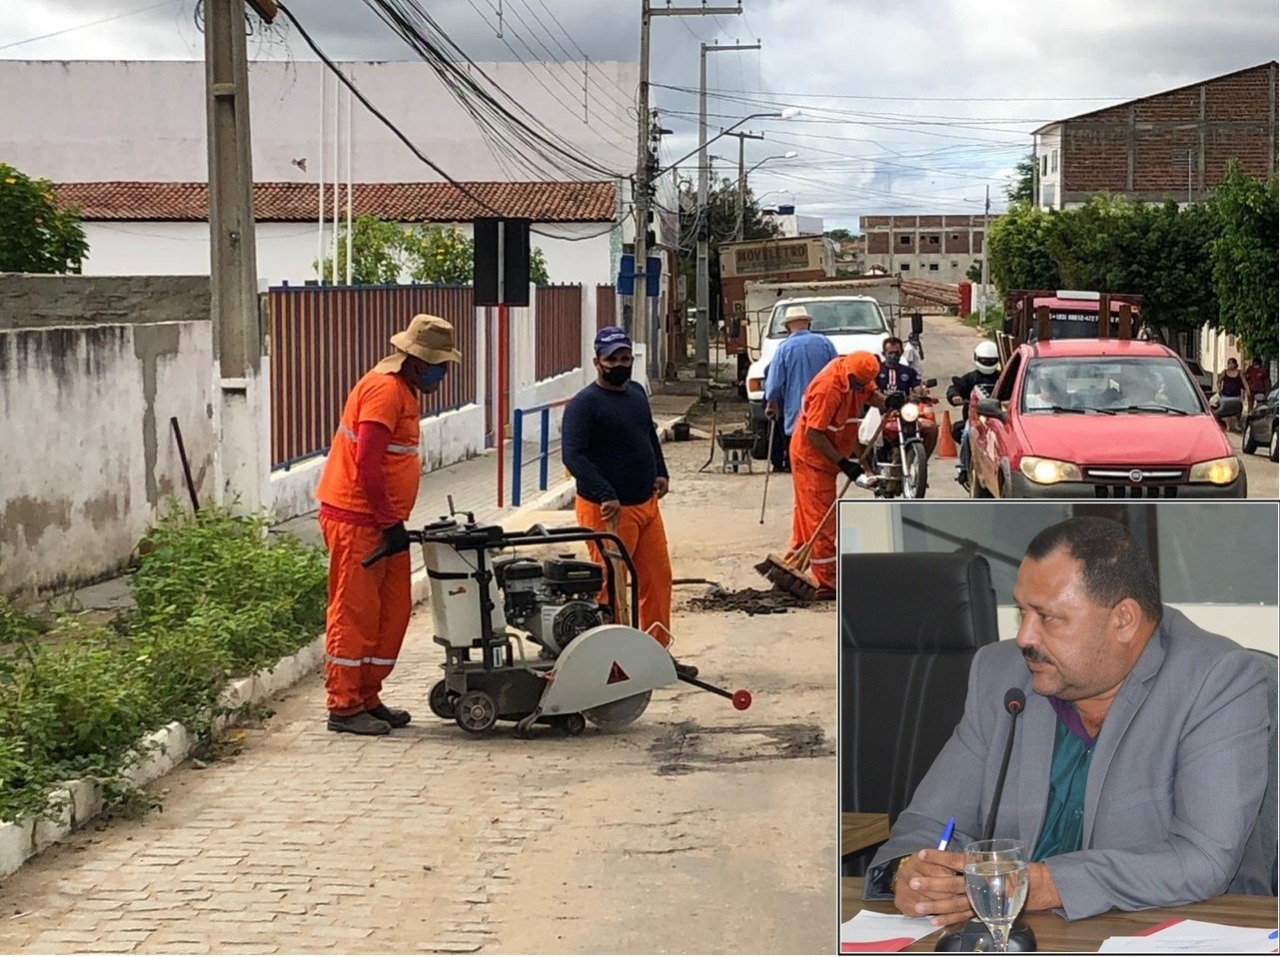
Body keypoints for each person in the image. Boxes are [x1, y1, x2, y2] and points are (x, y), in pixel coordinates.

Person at [864, 516, 1270, 923]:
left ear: (1123, 620)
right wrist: (913, 872)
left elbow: (1202, 860)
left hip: (1179, 930)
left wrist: (1043, 884)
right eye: (1021, 611)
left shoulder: (1215, 680)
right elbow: (929, 823)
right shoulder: (1001, 676)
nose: (1024, 637)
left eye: (1047, 617)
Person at [314, 313, 462, 735]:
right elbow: (368, 464)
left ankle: (366, 695)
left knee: (389, 612)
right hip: (359, 520)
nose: (444, 373)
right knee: (354, 612)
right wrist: (386, 520)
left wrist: (392, 521)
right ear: (417, 360)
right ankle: (343, 706)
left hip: (381, 522)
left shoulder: (402, 388)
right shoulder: (384, 391)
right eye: (440, 365)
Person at [562, 327, 694, 676]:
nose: (620, 365)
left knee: (656, 579)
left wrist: (661, 470)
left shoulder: (635, 393)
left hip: (646, 505)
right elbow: (573, 456)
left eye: (625, 358)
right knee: (613, 585)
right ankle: (614, 662)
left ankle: (655, 654)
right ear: (597, 362)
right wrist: (605, 492)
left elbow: (648, 433)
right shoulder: (584, 405)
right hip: (608, 511)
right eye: (612, 359)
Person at [787, 350, 891, 600]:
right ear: (849, 375)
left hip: (830, 455)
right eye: (857, 383)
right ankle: (827, 583)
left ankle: (792, 566)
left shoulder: (861, 375)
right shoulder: (828, 389)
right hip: (811, 459)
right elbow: (814, 434)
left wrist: (888, 402)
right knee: (822, 519)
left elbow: (870, 396)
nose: (861, 387)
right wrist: (845, 464)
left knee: (807, 517)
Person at [763, 306, 838, 473]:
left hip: (797, 412)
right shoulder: (825, 343)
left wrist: (771, 403)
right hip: (825, 409)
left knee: (800, 462)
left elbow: (774, 383)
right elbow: (837, 373)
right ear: (808, 324)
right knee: (823, 460)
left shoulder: (784, 348)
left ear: (787, 327)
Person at [947, 340, 1001, 488]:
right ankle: (963, 468)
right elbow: (955, 388)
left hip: (998, 418)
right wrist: (954, 396)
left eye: (991, 361)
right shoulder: (970, 378)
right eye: (984, 360)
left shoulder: (1002, 377)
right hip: (974, 419)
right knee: (966, 434)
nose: (987, 363)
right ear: (977, 358)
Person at [877, 336, 937, 458]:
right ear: (884, 353)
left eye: (897, 353)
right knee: (861, 432)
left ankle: (920, 461)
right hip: (881, 415)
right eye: (890, 353)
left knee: (931, 428)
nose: (894, 356)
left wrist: (926, 395)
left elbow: (917, 389)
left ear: (902, 353)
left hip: (905, 414)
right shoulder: (876, 371)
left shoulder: (909, 372)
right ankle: (869, 469)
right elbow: (871, 391)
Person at [1216, 357, 1246, 432]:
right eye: (1228, 363)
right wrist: (1219, 388)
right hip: (1226, 395)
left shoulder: (1239, 372)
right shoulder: (1224, 372)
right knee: (1226, 411)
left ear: (1235, 364)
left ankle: (1236, 425)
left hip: (1236, 395)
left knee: (1237, 410)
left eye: (1230, 363)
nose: (1229, 365)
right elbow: (1219, 380)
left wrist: (1247, 390)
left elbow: (1244, 382)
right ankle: (1228, 426)